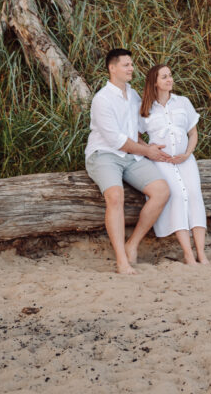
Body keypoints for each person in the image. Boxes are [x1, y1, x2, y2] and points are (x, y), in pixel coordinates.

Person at [85, 48, 172, 275]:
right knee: (115, 196)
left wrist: (150, 147)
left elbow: (138, 130)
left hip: (132, 155)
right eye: (126, 65)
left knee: (162, 191)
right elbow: (116, 140)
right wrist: (147, 152)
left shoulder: (133, 95)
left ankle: (132, 244)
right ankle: (121, 261)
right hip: (104, 154)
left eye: (131, 64)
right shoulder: (101, 99)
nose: (131, 68)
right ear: (112, 68)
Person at [139, 64, 209, 265]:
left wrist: (187, 154)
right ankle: (188, 253)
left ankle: (202, 253)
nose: (169, 80)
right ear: (154, 82)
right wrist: (149, 149)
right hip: (162, 162)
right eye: (164, 77)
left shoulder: (183, 102)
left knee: (194, 196)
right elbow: (135, 135)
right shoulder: (146, 108)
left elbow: (193, 133)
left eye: (170, 75)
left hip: (185, 160)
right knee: (177, 196)